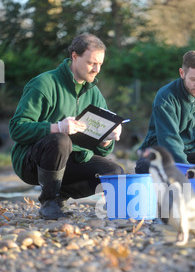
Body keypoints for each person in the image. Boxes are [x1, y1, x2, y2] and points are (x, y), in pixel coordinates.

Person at [9, 33, 124, 220]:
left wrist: (105, 141)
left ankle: (60, 197)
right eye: (91, 63)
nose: (96, 70)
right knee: (60, 140)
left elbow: (101, 152)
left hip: (71, 160)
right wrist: (57, 127)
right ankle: (49, 200)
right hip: (31, 161)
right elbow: (16, 129)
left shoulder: (95, 93)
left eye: (100, 64)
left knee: (114, 172)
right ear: (74, 56)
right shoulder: (43, 84)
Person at [135, 50, 195, 172]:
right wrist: (190, 171)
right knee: (145, 166)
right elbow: (169, 140)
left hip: (194, 151)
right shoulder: (165, 97)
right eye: (194, 79)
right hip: (163, 152)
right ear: (182, 73)